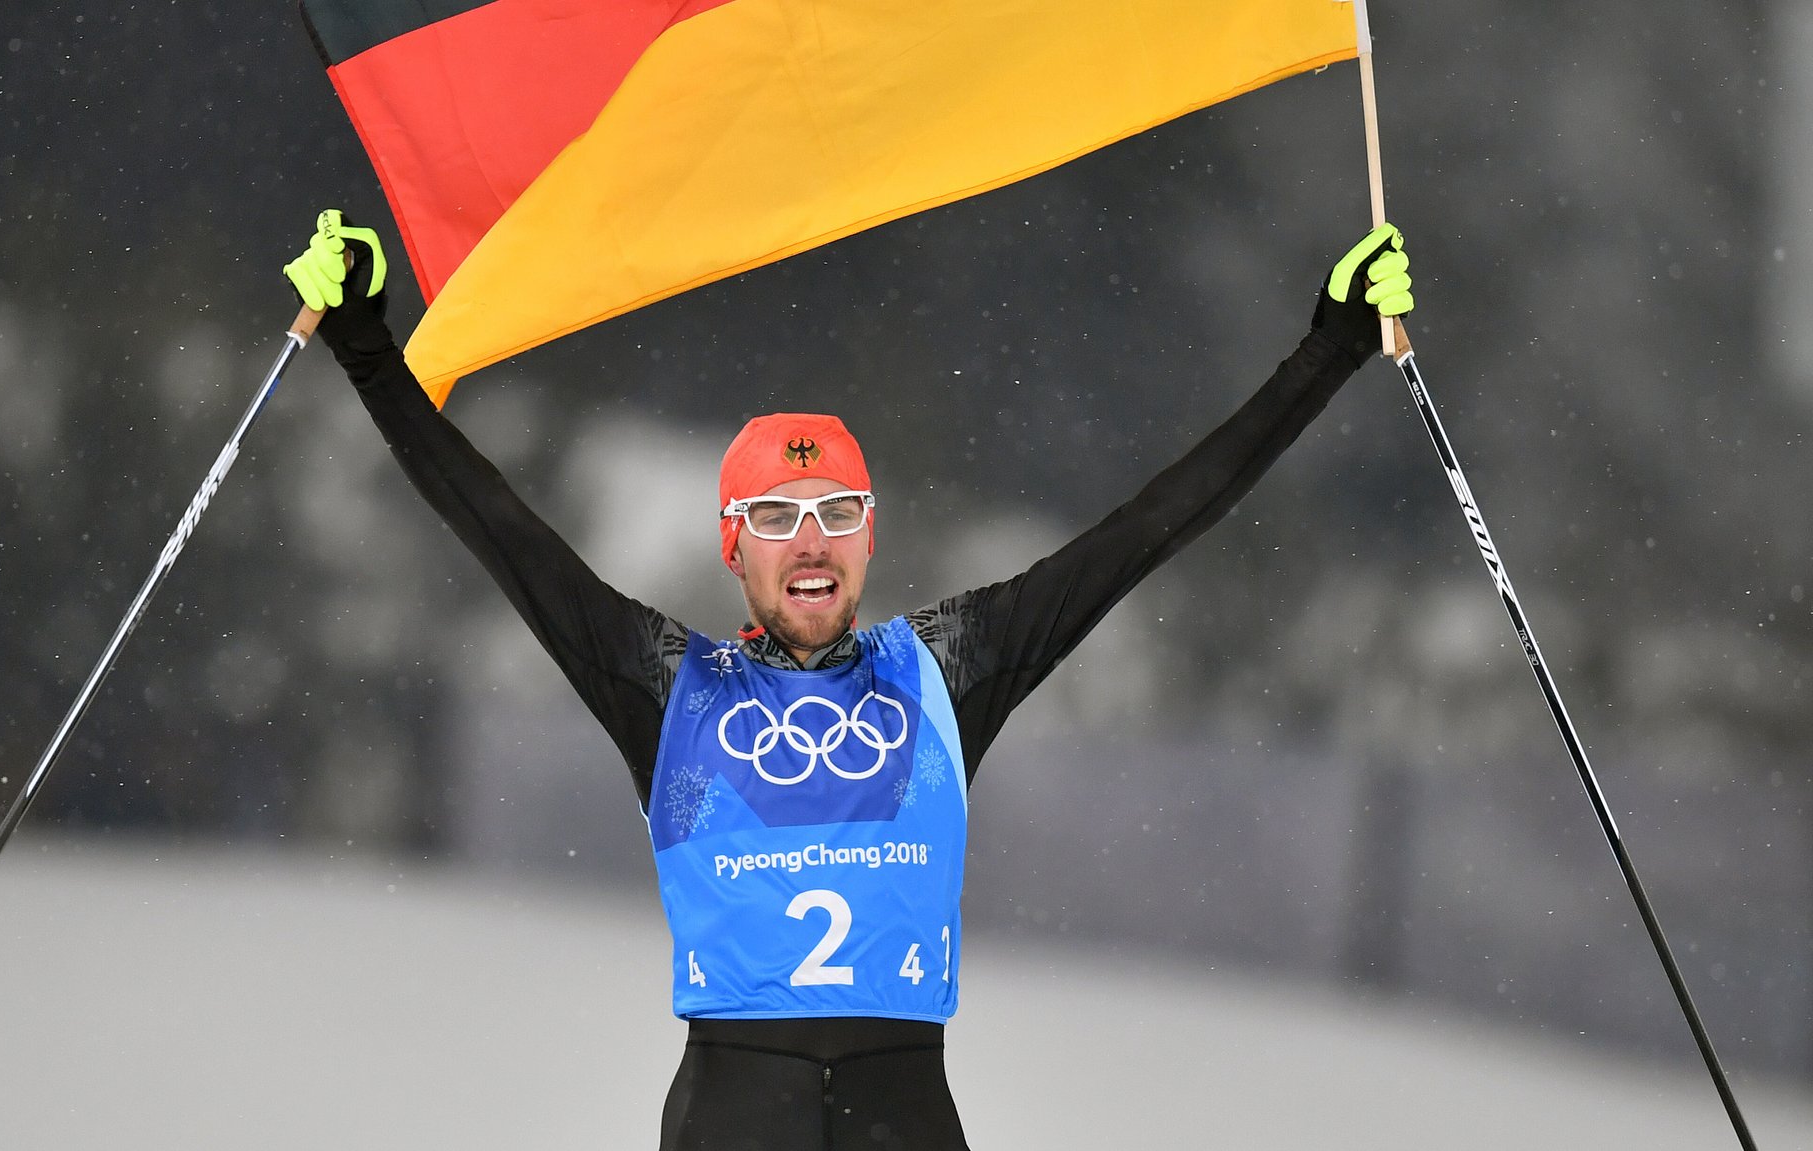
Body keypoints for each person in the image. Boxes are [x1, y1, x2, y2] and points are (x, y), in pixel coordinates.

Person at [285, 213, 1413, 1150]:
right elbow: (499, 529)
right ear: (734, 547)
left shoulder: (947, 669)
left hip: (902, 1108)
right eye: (774, 517)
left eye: (834, 515)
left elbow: (1148, 528)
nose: (808, 541)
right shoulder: (669, 684)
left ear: (869, 540)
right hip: (733, 1110)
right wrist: (367, 347)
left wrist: (1328, 349)